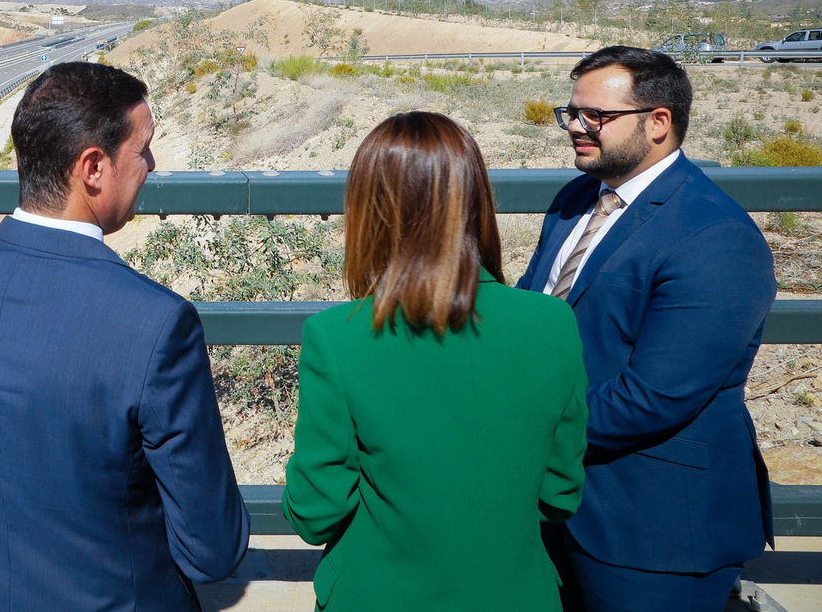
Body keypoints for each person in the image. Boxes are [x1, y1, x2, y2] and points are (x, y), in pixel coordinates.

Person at [0, 61, 249, 612]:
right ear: (93, 167)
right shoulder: (156, 322)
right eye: (143, 149)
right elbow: (212, 548)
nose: (152, 165)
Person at [284, 111, 588, 611]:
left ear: (368, 210)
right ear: (476, 200)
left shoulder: (336, 337)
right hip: (516, 595)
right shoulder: (553, 323)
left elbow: (315, 511)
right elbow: (560, 494)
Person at [517, 46, 776, 612]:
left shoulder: (714, 235)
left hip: (655, 528)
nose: (576, 127)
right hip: (554, 504)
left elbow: (656, 397)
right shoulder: (574, 200)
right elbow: (529, 319)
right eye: (572, 112)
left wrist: (520, 428)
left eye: (596, 116)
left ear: (658, 122)